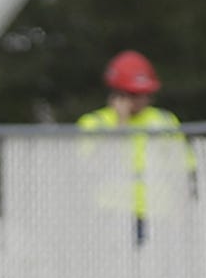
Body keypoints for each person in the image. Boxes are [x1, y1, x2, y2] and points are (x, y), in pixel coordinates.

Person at [76, 50, 189, 242]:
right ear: (117, 94)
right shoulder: (94, 123)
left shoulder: (164, 120)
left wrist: (182, 207)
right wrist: (121, 125)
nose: (143, 100)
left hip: (159, 213)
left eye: (147, 94)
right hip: (112, 213)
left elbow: (182, 168)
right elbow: (91, 168)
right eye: (135, 94)